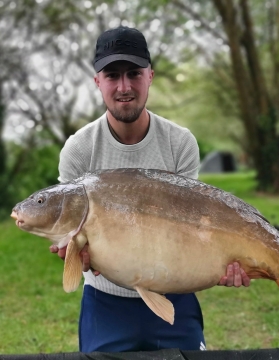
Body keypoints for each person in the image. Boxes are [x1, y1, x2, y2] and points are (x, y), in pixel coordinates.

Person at [50, 26, 250, 353]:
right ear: (97, 82)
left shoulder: (179, 142)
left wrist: (226, 259)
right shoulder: (78, 149)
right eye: (112, 75)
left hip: (175, 294)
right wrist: (72, 251)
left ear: (151, 76)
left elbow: (196, 227)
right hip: (105, 301)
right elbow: (66, 231)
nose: (124, 86)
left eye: (134, 73)